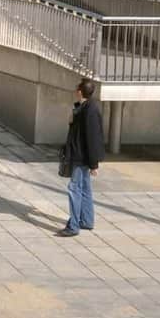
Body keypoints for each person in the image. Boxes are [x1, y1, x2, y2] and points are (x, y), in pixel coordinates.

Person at [58, 79, 105, 237]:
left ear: (80, 91)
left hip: (81, 157)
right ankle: (87, 220)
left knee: (74, 188)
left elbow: (93, 138)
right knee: (84, 188)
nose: (75, 90)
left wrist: (94, 163)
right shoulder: (84, 107)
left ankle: (73, 225)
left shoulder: (90, 110)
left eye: (76, 87)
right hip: (81, 155)